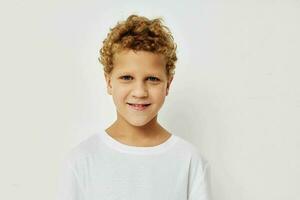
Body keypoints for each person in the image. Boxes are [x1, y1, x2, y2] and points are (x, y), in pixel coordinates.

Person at [57, 14, 211, 200]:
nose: (139, 92)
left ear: (168, 85)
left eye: (152, 79)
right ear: (109, 82)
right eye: (127, 78)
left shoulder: (190, 161)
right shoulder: (81, 161)